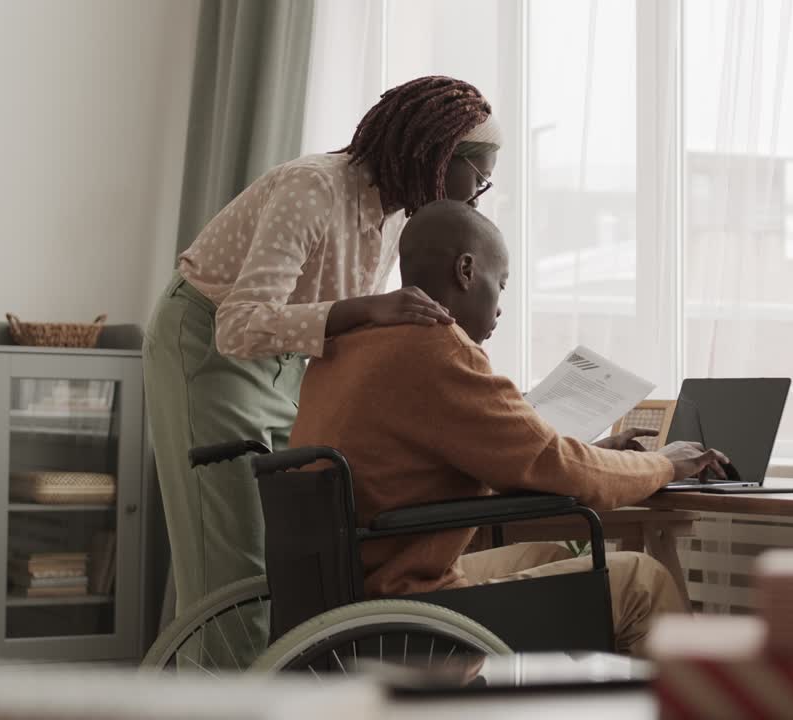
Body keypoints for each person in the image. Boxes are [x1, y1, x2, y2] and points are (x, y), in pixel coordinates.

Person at [144, 76, 502, 665]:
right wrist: (369, 310)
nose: (478, 197)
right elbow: (238, 325)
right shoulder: (313, 188)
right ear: (441, 154)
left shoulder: (394, 218)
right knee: (232, 558)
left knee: (290, 555)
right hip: (207, 347)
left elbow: (336, 328)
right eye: (481, 177)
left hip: (285, 359)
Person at [290, 200, 731, 655]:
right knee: (642, 580)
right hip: (407, 605)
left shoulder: (347, 343)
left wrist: (592, 451)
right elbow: (562, 468)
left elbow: (474, 460)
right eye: (499, 286)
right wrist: (666, 464)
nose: (500, 308)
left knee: (550, 556)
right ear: (466, 270)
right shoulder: (438, 349)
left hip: (341, 593)